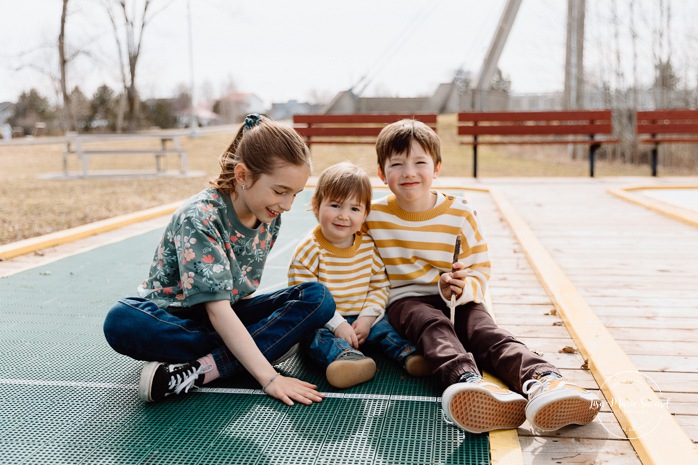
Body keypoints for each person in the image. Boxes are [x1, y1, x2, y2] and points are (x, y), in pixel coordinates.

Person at [365, 119, 600, 433]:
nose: (408, 172)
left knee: (486, 334)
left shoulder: (460, 213)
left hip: (457, 298)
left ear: (436, 169)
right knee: (432, 324)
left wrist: (460, 288)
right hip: (406, 300)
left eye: (419, 162)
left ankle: (546, 382)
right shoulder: (373, 215)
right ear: (382, 174)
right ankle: (469, 383)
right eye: (397, 164)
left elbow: (480, 269)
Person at [103, 114, 335, 406]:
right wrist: (270, 377)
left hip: (229, 313)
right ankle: (261, 345)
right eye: (280, 191)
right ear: (243, 176)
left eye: (295, 194)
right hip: (175, 318)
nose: (288, 205)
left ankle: (201, 370)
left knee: (318, 297)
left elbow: (234, 306)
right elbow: (216, 311)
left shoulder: (269, 214)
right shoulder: (200, 216)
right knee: (121, 320)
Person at [288, 162, 429, 389]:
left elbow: (379, 286)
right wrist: (338, 325)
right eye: (335, 205)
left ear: (365, 214)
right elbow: (306, 302)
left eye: (354, 209)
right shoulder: (308, 250)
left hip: (363, 318)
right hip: (325, 322)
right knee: (313, 337)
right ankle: (346, 359)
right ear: (316, 205)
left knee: (385, 327)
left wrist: (367, 317)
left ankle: (409, 354)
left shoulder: (368, 246)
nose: (344, 216)